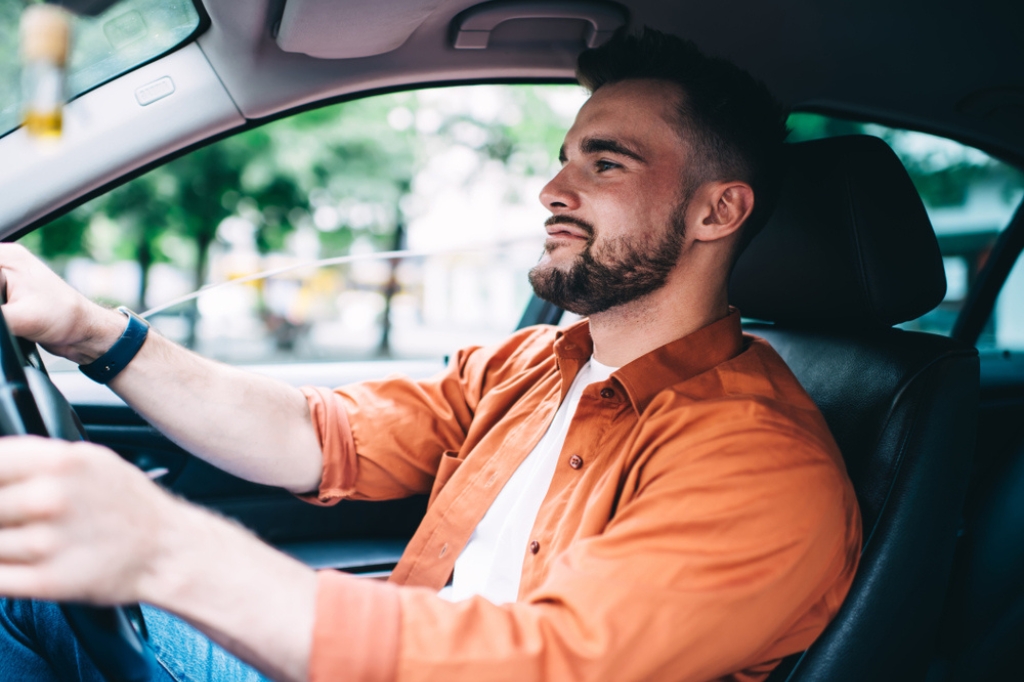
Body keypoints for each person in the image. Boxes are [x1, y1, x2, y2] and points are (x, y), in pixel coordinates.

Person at [0, 28, 861, 682]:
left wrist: (166, 550)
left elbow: (548, 661)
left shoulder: (762, 464)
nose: (552, 191)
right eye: (564, 159)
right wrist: (90, 332)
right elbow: (316, 433)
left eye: (606, 164)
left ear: (718, 212)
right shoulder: (534, 365)